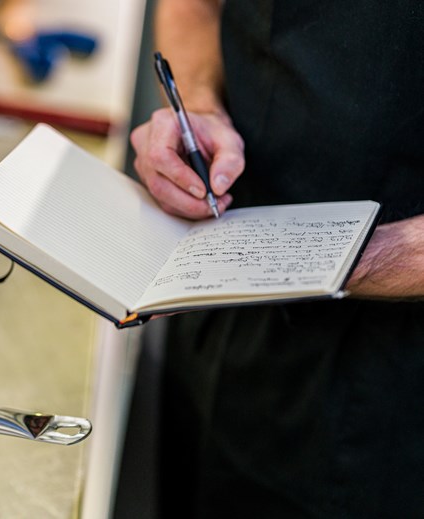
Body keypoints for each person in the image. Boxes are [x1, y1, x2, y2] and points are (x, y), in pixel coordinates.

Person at [130, 0, 424, 516]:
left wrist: (326, 257)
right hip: (218, 316)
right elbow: (192, 8)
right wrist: (197, 107)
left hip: (381, 394)